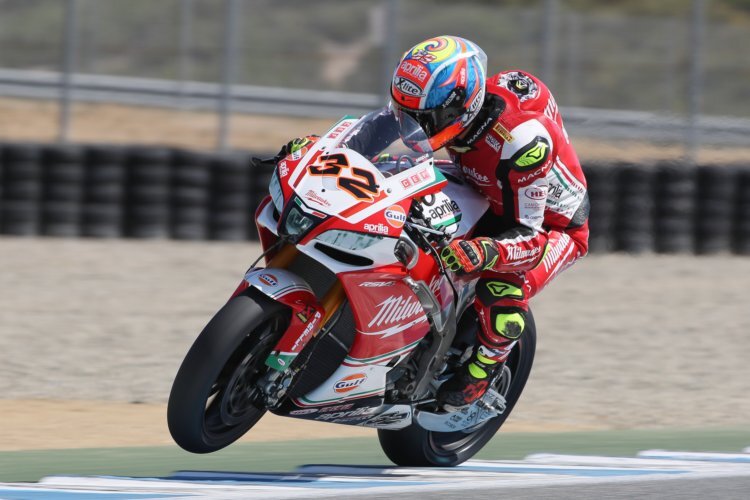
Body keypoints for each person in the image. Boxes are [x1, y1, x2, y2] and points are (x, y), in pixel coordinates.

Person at [280, 35, 590, 410]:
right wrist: (319, 152)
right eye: (407, 111)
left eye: (425, 118)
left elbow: (531, 239)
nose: (415, 125)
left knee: (502, 288)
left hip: (549, 224)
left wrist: (485, 250)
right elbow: (377, 130)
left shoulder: (522, 145)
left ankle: (484, 369)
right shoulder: (444, 109)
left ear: (463, 103)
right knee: (397, 206)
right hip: (481, 185)